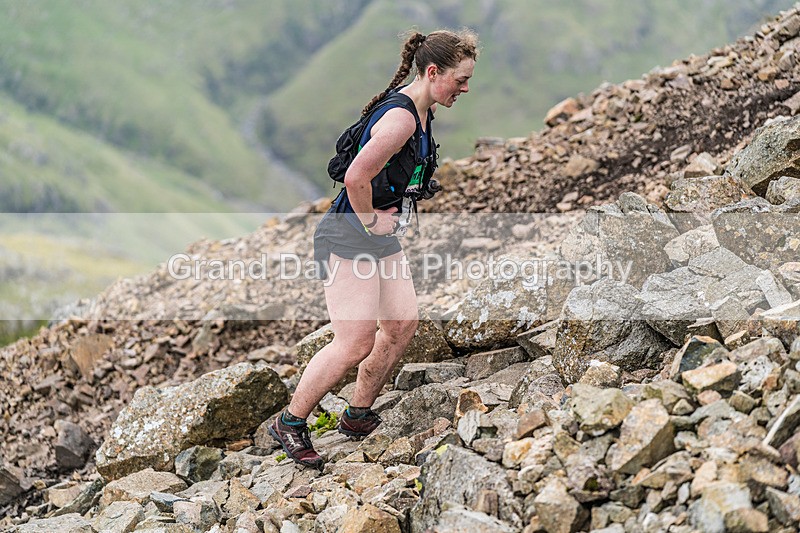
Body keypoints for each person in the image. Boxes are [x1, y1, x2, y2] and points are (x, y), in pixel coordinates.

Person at [269, 28, 478, 470]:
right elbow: (354, 178)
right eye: (460, 80)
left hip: (380, 239)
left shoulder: (423, 111)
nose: (465, 88)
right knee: (354, 342)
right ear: (433, 71)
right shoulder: (401, 118)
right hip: (348, 236)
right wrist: (369, 219)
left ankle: (357, 414)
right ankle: (290, 422)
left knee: (402, 323)